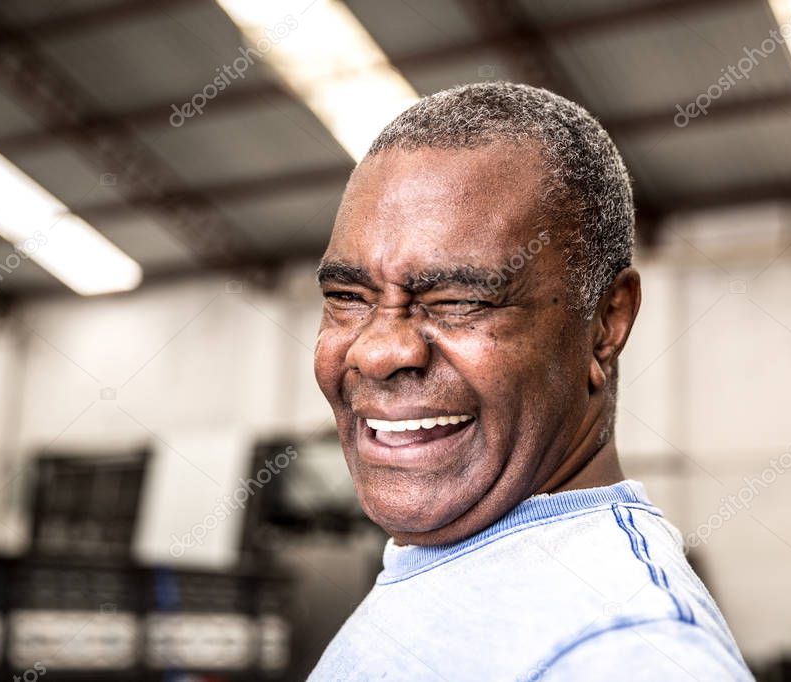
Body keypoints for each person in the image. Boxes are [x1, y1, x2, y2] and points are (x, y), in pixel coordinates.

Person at [310, 82, 752, 680]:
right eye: (347, 297)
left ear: (605, 322)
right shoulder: (459, 568)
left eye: (459, 299)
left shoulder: (625, 649)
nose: (380, 350)